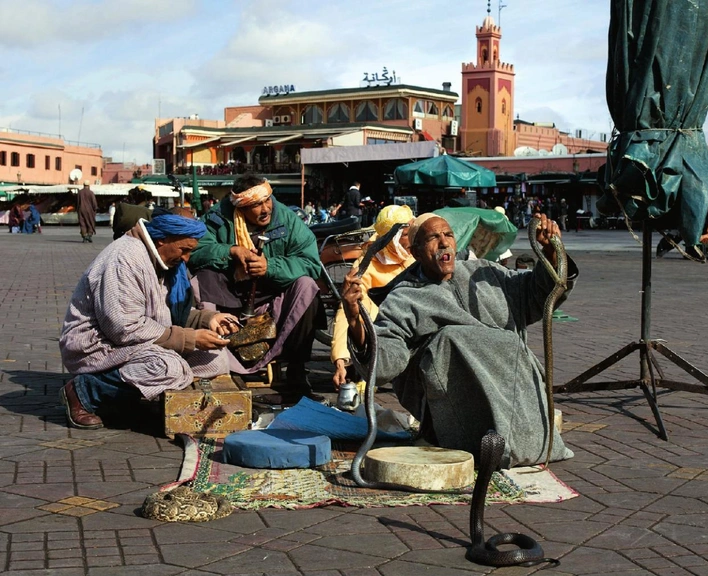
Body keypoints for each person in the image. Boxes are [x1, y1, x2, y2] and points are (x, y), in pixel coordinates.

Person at [341, 212, 576, 468]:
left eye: (448, 235)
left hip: (512, 391)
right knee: (451, 339)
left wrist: (552, 251)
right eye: (433, 237)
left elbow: (538, 294)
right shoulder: (404, 299)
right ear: (416, 253)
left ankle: (524, 442)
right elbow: (385, 363)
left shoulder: (486, 273)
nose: (444, 243)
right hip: (451, 407)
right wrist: (355, 321)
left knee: (501, 345)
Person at [59, 210, 240, 430]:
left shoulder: (162, 260)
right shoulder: (124, 259)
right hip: (98, 345)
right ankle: (84, 392)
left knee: (215, 359)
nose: (186, 259)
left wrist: (207, 319)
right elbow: (123, 328)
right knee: (168, 369)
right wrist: (188, 338)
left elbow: (166, 312)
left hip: (138, 339)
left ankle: (131, 394)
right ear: (162, 239)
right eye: (184, 250)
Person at [188, 174, 326, 401]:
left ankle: (296, 370)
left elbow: (310, 263)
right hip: (229, 294)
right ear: (240, 207)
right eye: (255, 205)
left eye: (267, 200)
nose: (265, 209)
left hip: (273, 293)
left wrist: (269, 267)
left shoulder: (288, 220)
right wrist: (230, 252)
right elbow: (194, 251)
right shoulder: (217, 217)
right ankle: (213, 361)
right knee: (203, 277)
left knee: (306, 286)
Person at [331, 204, 416, 389]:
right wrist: (340, 359)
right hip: (389, 333)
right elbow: (347, 310)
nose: (412, 239)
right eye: (407, 235)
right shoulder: (366, 265)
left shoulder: (417, 255)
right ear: (392, 239)